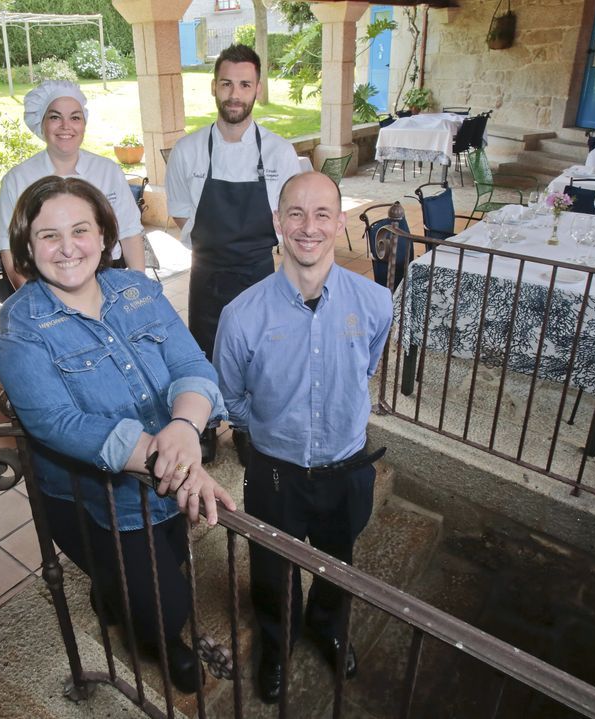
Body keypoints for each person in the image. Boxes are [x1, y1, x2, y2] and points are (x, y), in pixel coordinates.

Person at [0, 175, 236, 694]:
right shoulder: (21, 325)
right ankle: (161, 640)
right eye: (49, 236)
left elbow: (192, 364)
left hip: (165, 478)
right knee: (164, 603)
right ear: (28, 248)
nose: (67, 248)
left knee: (169, 561)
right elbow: (56, 423)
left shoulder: (138, 290)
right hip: (95, 500)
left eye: (80, 230)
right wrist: (165, 455)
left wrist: (185, 428)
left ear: (104, 236)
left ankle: (118, 595)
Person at [212, 171, 393, 704]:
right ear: (277, 223)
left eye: (321, 215)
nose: (308, 227)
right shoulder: (241, 316)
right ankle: (279, 640)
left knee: (339, 559)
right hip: (274, 472)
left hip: (347, 467)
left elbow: (366, 368)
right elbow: (231, 398)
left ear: (340, 222)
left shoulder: (376, 303)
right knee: (272, 568)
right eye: (295, 213)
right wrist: (273, 429)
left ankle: (328, 626)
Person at [166, 44, 301, 460]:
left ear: (257, 89)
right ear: (213, 87)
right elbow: (179, 215)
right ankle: (205, 425)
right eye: (227, 83)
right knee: (202, 351)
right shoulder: (188, 151)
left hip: (259, 271)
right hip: (206, 272)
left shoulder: (279, 153)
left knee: (258, 353)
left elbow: (291, 218)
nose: (235, 94)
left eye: (244, 84)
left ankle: (246, 426)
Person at [0, 80, 145, 290]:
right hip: (47, 286)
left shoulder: (108, 171)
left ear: (84, 123)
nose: (66, 126)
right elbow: (10, 252)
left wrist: (139, 290)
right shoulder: (17, 180)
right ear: (41, 123)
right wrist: (37, 304)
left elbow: (130, 234)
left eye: (75, 117)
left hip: (109, 279)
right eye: (55, 117)